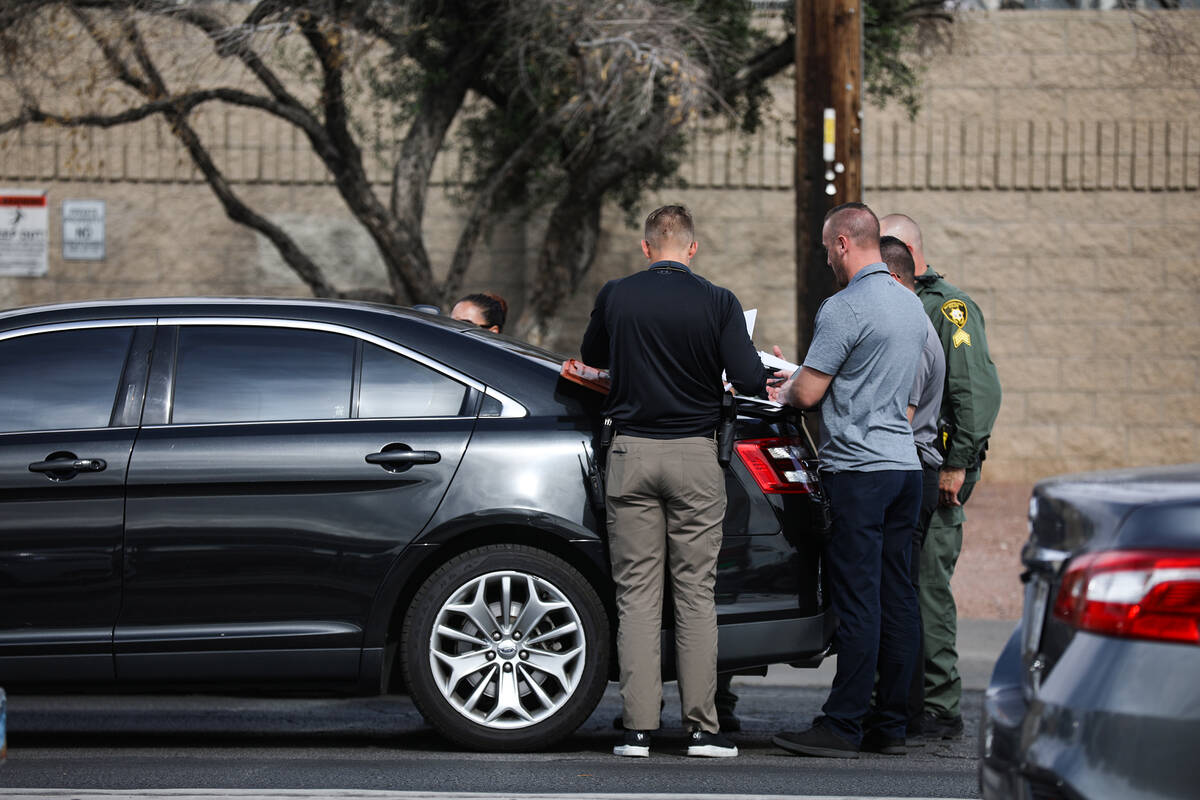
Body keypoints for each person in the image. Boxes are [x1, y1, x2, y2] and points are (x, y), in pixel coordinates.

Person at [581, 205, 764, 759]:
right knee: (695, 595)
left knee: (635, 595)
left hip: (631, 453)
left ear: (645, 248)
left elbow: (592, 357)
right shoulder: (718, 300)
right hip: (694, 457)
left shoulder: (616, 295)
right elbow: (750, 378)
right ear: (691, 248)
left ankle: (636, 728)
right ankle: (702, 729)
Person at [767, 202, 927, 758]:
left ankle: (843, 725)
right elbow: (914, 396)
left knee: (858, 601)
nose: (825, 258)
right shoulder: (913, 308)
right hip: (904, 468)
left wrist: (782, 389)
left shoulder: (844, 306)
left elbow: (808, 394)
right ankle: (892, 725)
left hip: (858, 471)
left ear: (841, 244)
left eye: (824, 247)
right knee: (898, 597)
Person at [879, 213, 1002, 740]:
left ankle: (940, 702)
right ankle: (906, 697)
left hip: (939, 465)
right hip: (906, 465)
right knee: (907, 581)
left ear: (903, 252)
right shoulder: (901, 300)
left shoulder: (947, 308)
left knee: (928, 582)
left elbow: (975, 392)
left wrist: (959, 463)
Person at [879, 234, 945, 739]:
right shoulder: (913, 326)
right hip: (910, 465)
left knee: (897, 591)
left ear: (894, 278)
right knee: (896, 589)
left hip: (909, 466)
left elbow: (900, 413)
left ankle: (900, 711)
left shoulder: (913, 331)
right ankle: (898, 709)